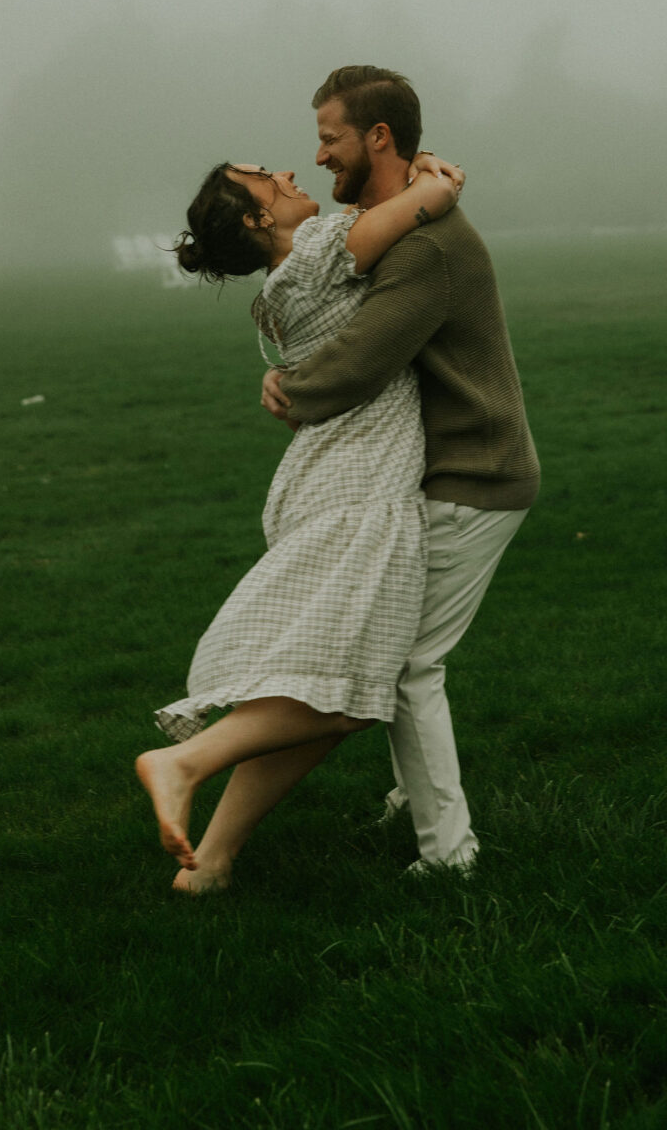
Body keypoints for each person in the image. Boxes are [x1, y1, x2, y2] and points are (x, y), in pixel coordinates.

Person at [135, 149, 464, 889]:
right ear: (258, 219)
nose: (290, 176)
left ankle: (211, 862)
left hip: (323, 483)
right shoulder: (318, 252)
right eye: (269, 183)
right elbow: (423, 203)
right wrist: (437, 182)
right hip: (360, 492)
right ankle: (183, 761)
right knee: (347, 696)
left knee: (314, 687)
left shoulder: (278, 292)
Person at [257, 67, 541, 875]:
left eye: (329, 137)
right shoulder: (406, 217)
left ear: (378, 137)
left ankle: (447, 854)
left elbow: (360, 360)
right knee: (392, 648)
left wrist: (291, 389)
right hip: (441, 471)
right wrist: (430, 179)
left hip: (476, 475)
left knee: (409, 661)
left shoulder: (426, 247)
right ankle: (413, 801)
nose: (316, 156)